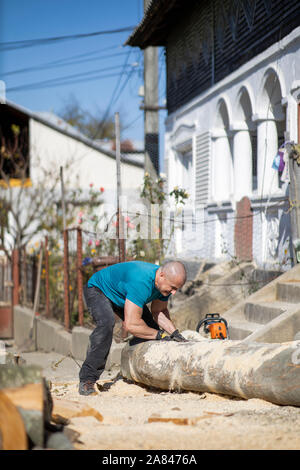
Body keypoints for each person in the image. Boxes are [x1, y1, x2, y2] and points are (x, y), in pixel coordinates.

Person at [78, 260, 188, 395]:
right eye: (172, 288)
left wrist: (175, 333)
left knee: (150, 329)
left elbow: (159, 312)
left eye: (177, 289)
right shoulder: (141, 281)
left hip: (123, 295)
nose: (174, 293)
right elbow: (131, 325)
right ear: (161, 276)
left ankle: (134, 372)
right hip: (98, 289)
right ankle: (87, 380)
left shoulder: (163, 284)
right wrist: (160, 335)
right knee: (106, 324)